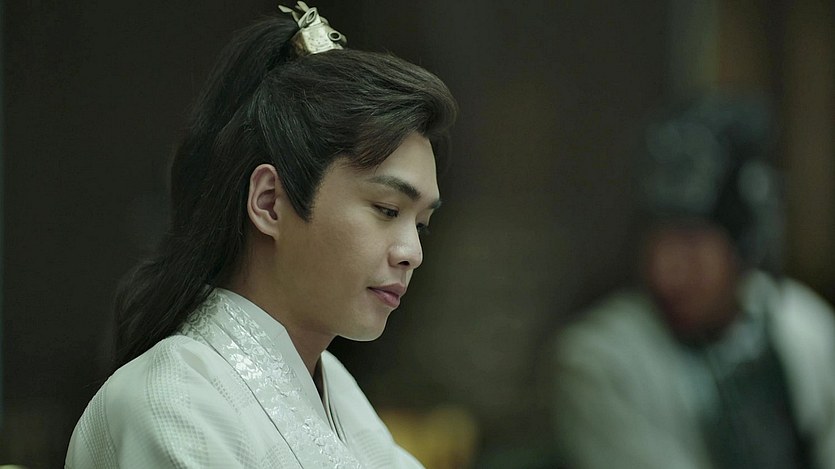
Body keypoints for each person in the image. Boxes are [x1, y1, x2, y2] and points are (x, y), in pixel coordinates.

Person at [66, 3, 457, 467]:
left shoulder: (334, 387)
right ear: (270, 201)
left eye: (420, 224)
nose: (412, 253)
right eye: (387, 210)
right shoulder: (172, 399)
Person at [550, 93, 835, 469]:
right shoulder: (601, 362)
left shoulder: (804, 330)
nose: (667, 271)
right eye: (656, 242)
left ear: (742, 247)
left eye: (692, 244)